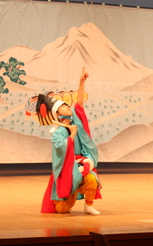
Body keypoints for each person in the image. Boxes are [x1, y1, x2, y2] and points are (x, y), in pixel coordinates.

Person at [33, 68, 102, 214]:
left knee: (92, 179)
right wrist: (71, 135)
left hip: (80, 164)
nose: (67, 107)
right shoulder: (58, 133)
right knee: (62, 210)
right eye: (63, 107)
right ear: (57, 114)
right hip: (67, 170)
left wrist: (81, 82)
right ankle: (67, 197)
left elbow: (79, 103)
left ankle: (88, 205)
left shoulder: (75, 121)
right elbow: (61, 149)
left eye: (66, 105)